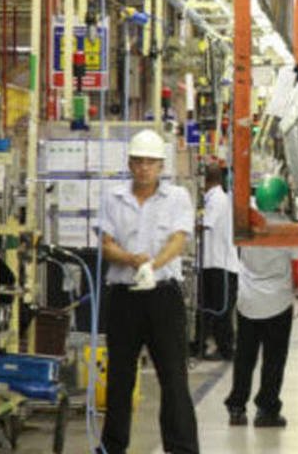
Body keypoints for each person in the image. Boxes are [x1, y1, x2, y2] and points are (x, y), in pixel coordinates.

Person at [96, 129, 198, 454]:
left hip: (163, 297)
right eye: (138, 161)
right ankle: (113, 446)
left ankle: (181, 448)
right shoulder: (113, 197)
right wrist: (130, 260)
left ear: (161, 166)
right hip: (124, 298)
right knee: (120, 378)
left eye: (150, 162)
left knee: (174, 377)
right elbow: (107, 244)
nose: (144, 168)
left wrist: (152, 266)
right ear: (129, 163)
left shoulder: (177, 198)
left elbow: (179, 240)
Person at [225, 244, 298, 428]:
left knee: (244, 355)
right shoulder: (286, 225)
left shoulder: (245, 221)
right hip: (278, 299)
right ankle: (267, 409)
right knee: (274, 358)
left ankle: (237, 406)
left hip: (248, 298)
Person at [197, 163, 239, 360]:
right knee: (210, 307)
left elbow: (205, 225)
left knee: (219, 308)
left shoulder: (217, 200)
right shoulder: (215, 198)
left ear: (205, 181)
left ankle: (225, 349)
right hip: (214, 263)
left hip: (219, 265)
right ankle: (202, 344)